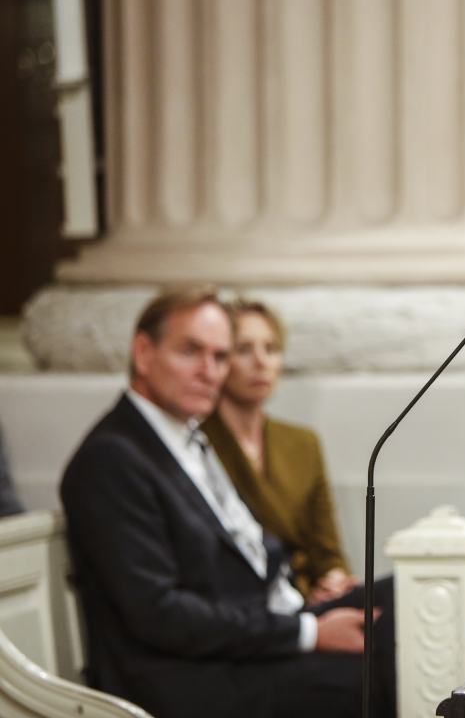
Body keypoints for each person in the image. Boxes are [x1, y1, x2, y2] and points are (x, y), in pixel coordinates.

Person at [59, 289, 394, 718]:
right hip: (189, 678)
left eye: (219, 357)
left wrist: (306, 605)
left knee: (409, 596)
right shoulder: (112, 457)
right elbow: (159, 614)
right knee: (377, 671)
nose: (209, 372)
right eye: (191, 352)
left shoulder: (183, 436)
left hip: (249, 637)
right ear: (144, 352)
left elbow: (247, 554)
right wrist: (307, 631)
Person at [201, 299, 355, 604]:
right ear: (220, 359)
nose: (261, 362)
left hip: (309, 598)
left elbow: (326, 549)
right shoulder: (199, 441)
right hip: (243, 605)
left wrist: (334, 580)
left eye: (271, 349)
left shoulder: (302, 443)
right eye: (244, 349)